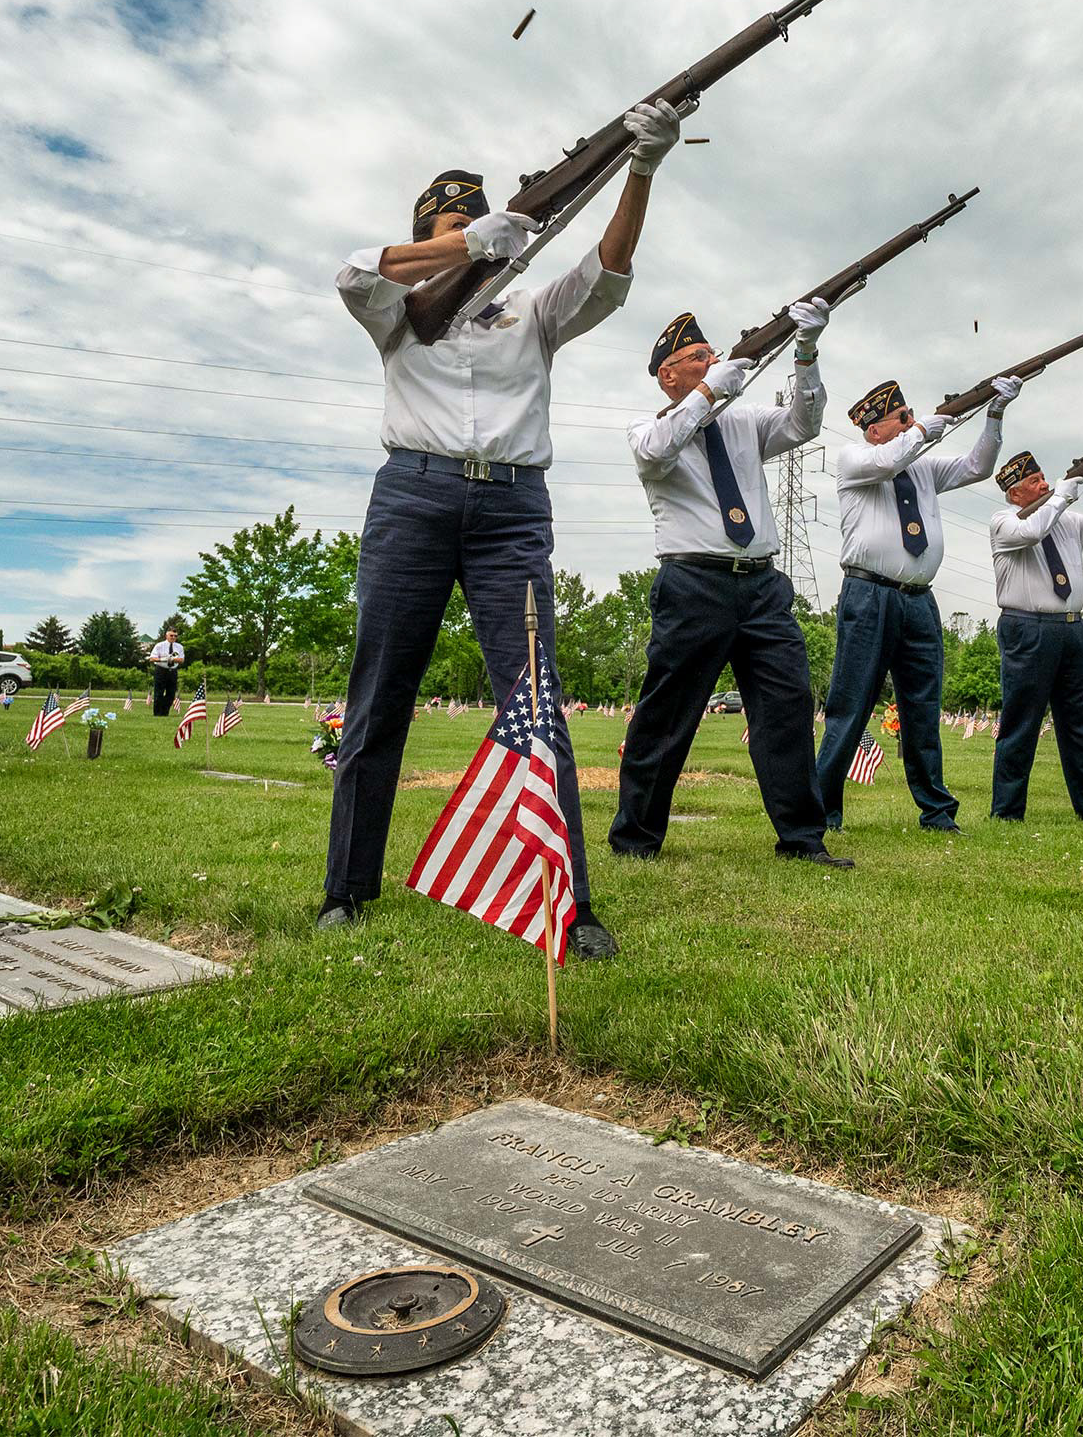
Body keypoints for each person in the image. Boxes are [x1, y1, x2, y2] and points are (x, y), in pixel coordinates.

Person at [321, 99, 686, 955]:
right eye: (452, 223)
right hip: (412, 497)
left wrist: (640, 167)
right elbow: (350, 270)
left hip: (514, 510)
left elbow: (609, 271)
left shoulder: (534, 308)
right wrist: (469, 245)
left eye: (480, 221)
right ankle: (347, 887)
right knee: (380, 696)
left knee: (536, 702)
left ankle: (572, 903)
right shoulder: (395, 307)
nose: (470, 234)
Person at [609, 305, 852, 868]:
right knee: (667, 716)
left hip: (762, 585)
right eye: (697, 358)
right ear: (668, 374)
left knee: (787, 709)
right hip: (694, 584)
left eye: (712, 354)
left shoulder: (742, 423)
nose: (711, 361)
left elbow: (803, 424)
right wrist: (712, 391)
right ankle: (636, 838)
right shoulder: (649, 428)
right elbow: (657, 450)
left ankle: (802, 837)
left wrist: (806, 352)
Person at [815, 376, 1018, 833]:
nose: (909, 423)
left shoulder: (921, 465)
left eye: (910, 416)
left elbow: (977, 467)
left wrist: (994, 414)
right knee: (850, 706)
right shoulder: (858, 459)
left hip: (919, 601)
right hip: (869, 595)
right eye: (901, 418)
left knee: (923, 710)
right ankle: (823, 808)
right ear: (873, 428)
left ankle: (937, 812)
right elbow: (892, 460)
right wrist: (928, 426)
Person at [987, 441, 1083, 822]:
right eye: (1035, 481)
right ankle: (1006, 810)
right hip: (1028, 627)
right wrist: (1063, 496)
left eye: (1043, 478)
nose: (1045, 485)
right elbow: (1032, 532)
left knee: (1080, 724)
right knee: (1021, 723)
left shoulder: (1065, 520)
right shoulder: (1005, 521)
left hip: (1071, 629)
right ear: (1014, 492)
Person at [147, 630, 184, 716]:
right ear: (166, 636)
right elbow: (152, 658)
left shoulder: (179, 647)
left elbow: (181, 659)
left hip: (172, 671)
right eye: (171, 635)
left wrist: (172, 659)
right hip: (161, 670)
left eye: (175, 636)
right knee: (159, 693)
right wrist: (163, 659)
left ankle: (165, 712)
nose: (173, 637)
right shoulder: (159, 645)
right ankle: (157, 713)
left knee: (171, 693)